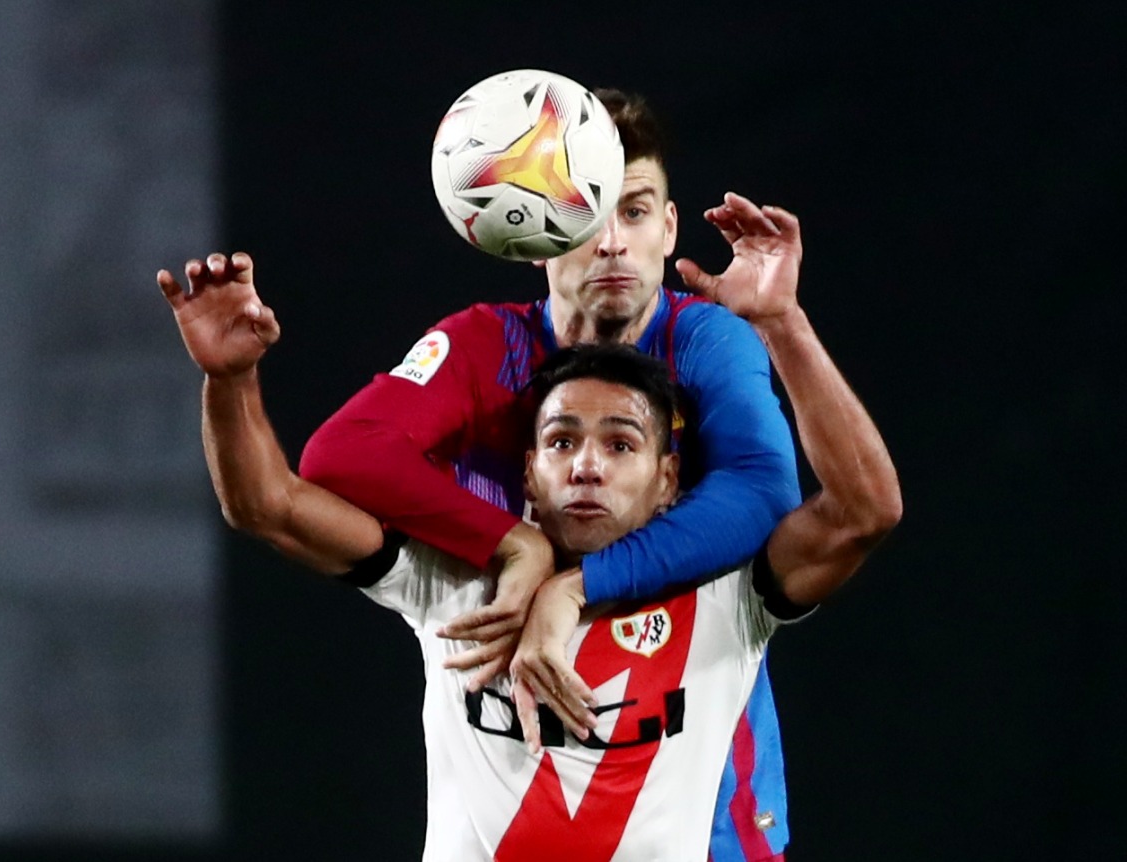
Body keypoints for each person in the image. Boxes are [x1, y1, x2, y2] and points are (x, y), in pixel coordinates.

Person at [157, 238, 901, 860]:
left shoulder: (726, 598)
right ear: (529, 475)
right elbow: (269, 504)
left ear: (668, 478)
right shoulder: (454, 584)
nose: (586, 465)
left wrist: (783, 325)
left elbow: (866, 511)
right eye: (561, 442)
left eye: (620, 444)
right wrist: (233, 379)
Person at [295, 89, 804, 860]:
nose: (611, 243)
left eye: (634, 212)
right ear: (533, 234)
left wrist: (576, 586)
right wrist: (515, 546)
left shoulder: (704, 342)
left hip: (683, 756)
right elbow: (343, 452)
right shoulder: (482, 346)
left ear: (669, 229)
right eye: (587, 212)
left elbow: (766, 491)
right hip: (517, 740)